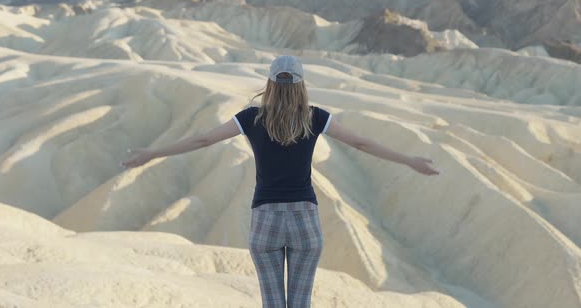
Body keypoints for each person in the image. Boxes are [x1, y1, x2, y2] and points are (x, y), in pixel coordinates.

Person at [120, 55, 440, 307]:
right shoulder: (316, 117)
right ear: (302, 85)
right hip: (305, 220)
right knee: (300, 305)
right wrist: (409, 161)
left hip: (265, 221)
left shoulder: (251, 118)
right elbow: (362, 143)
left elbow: (202, 140)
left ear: (270, 84)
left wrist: (152, 152)